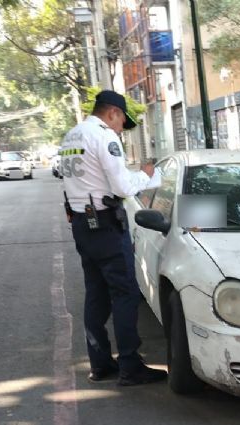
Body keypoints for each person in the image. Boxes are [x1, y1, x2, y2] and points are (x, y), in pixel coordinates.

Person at [59, 90, 166, 387]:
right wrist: (145, 175)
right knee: (125, 294)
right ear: (113, 114)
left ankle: (100, 364)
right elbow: (121, 188)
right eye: (122, 122)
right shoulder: (104, 136)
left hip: (82, 223)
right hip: (105, 225)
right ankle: (130, 366)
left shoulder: (71, 136)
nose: (121, 129)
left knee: (95, 294)